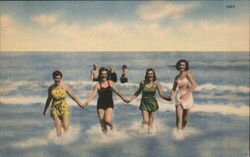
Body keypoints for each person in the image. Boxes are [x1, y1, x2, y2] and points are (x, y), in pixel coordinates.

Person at [83, 67, 128, 134]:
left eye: (105, 74)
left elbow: (117, 91)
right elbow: (93, 95)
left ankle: (113, 128)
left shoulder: (110, 83)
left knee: (107, 120)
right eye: (102, 74)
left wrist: (124, 98)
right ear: (100, 75)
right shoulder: (97, 85)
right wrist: (86, 102)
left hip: (109, 104)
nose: (104, 75)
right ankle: (105, 138)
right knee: (102, 123)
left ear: (107, 75)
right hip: (100, 105)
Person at [128, 68, 171, 133]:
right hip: (144, 104)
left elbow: (161, 95)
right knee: (146, 121)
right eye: (148, 74)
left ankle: (149, 138)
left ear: (153, 75)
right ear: (146, 75)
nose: (150, 75)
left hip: (153, 104)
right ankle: (141, 128)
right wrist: (130, 99)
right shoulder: (143, 82)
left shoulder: (156, 83)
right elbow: (138, 92)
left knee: (150, 125)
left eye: (151, 74)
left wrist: (168, 98)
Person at [43, 70, 84, 137]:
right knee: (58, 127)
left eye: (58, 78)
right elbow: (49, 99)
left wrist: (79, 103)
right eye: (55, 78)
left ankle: (66, 142)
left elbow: (72, 96)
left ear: (61, 78)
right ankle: (59, 143)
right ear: (53, 78)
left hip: (64, 108)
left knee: (65, 127)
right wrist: (45, 110)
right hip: (54, 108)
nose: (57, 80)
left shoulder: (64, 86)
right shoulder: (50, 88)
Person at [170, 59, 197, 132]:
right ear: (178, 66)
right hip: (178, 96)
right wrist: (171, 95)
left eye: (183, 65)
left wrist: (186, 95)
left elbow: (194, 85)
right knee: (179, 118)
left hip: (188, 96)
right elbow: (173, 89)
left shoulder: (188, 74)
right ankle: (178, 135)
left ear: (186, 66)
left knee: (185, 120)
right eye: (180, 65)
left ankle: (183, 132)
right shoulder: (177, 77)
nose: (182, 66)